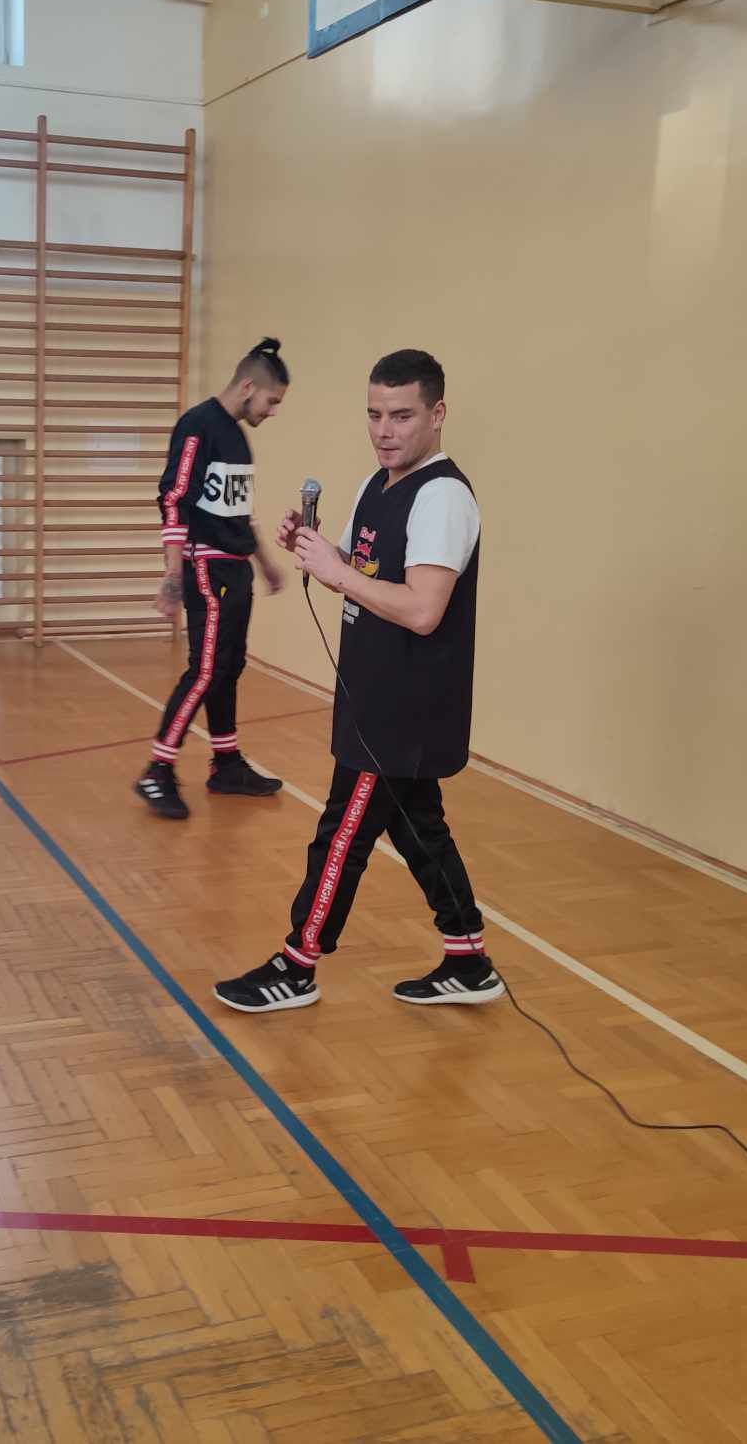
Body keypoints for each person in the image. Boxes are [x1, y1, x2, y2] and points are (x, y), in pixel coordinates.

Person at [214, 348, 503, 1012]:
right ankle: (467, 957)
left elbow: (423, 609)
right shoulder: (379, 484)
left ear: (437, 414)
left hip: (401, 706)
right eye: (374, 414)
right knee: (419, 829)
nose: (384, 430)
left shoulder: (442, 498)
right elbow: (360, 573)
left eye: (401, 416)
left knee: (341, 834)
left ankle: (298, 964)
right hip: (372, 692)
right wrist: (316, 549)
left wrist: (338, 572)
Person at [134, 338, 291, 820]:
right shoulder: (197, 425)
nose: (273, 412)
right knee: (205, 670)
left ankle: (226, 764)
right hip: (205, 567)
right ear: (247, 387)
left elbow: (237, 512)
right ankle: (158, 770)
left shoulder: (238, 438)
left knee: (228, 666)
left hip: (236, 567)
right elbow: (173, 498)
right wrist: (172, 574)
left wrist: (264, 561)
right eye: (271, 401)